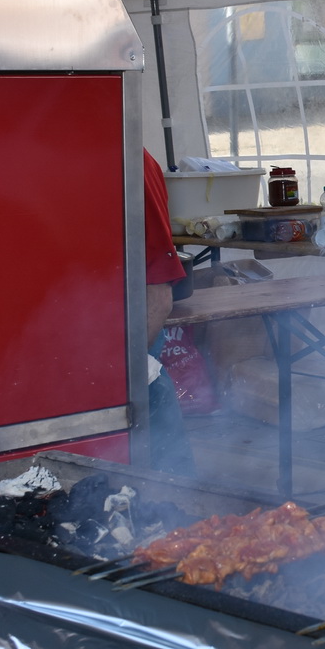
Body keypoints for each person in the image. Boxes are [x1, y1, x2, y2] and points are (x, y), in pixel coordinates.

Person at [143, 149, 196, 475]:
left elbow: (158, 293)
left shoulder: (128, 159)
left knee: (170, 482)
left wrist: (129, 364)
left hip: (128, 341)